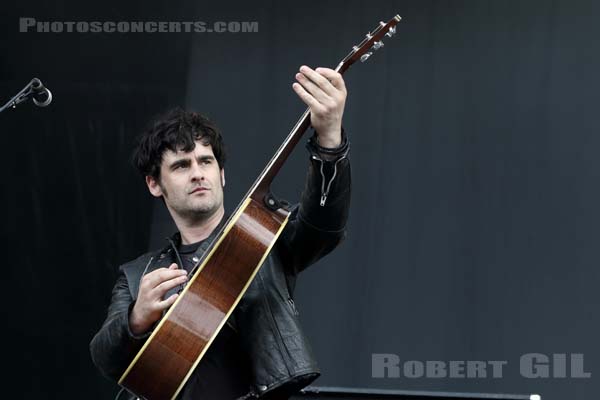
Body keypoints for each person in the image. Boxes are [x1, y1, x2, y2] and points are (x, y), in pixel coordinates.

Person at [90, 65, 352, 400]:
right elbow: (104, 356)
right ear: (154, 184)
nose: (198, 173)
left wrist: (329, 141)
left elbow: (325, 222)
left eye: (206, 161)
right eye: (181, 165)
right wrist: (136, 318)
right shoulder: (138, 274)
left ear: (222, 174)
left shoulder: (263, 241)